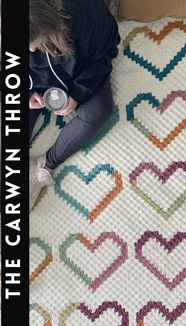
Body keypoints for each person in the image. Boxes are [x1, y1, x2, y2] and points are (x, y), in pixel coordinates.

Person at [29, 0, 120, 211]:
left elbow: (105, 54)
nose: (31, 48)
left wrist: (79, 93)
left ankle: (44, 166)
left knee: (99, 112)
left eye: (33, 42)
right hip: (32, 78)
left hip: (80, 72)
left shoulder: (86, 12)